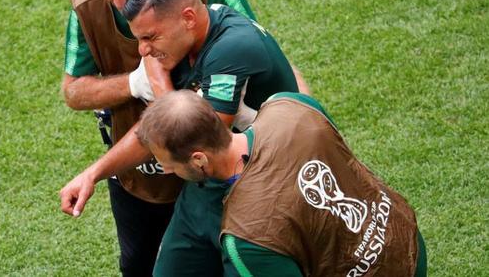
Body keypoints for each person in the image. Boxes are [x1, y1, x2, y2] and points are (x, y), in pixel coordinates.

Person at [60, 0, 306, 276]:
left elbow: (189, 137)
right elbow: (155, 128)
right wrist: (92, 174)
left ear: (188, 18)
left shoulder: (232, 49)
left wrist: (160, 82)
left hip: (260, 187)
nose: (143, 51)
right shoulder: (184, 39)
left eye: (149, 37)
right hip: (207, 186)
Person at [137, 90, 428, 277]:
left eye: (169, 164)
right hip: (408, 244)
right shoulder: (290, 105)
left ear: (199, 161)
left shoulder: (246, 237)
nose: (165, 169)